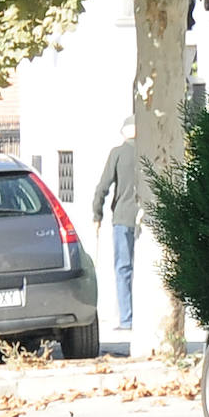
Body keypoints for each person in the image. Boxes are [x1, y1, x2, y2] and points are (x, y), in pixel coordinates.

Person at [92, 116, 139, 330]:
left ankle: (127, 319)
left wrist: (97, 214)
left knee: (123, 268)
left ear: (124, 132)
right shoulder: (148, 151)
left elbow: (103, 186)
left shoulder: (118, 153)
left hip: (122, 218)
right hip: (145, 218)